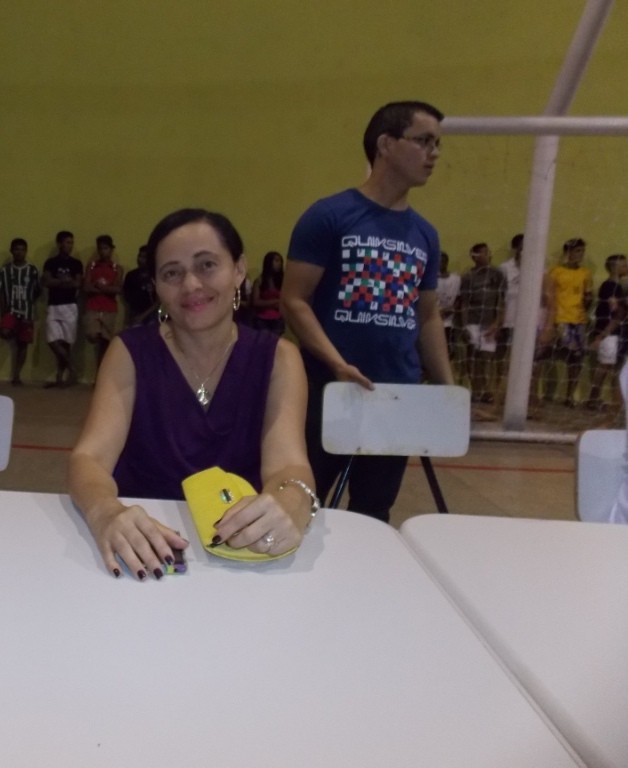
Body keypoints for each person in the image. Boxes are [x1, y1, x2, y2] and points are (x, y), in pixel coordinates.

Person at [68, 208, 316, 580]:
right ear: (156, 284)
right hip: (144, 551)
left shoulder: (280, 358)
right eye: (172, 273)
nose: (191, 285)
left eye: (207, 265)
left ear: (238, 269)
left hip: (239, 557)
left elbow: (288, 465)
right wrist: (106, 512)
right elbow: (89, 458)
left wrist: (292, 502)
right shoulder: (130, 352)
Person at [281, 100, 453, 523]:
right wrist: (337, 364)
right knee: (306, 502)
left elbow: (427, 316)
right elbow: (294, 300)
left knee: (374, 511)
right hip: (328, 390)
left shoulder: (425, 235)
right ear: (386, 144)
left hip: (394, 396)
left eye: (438, 144)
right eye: (423, 141)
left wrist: (448, 387)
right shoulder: (329, 216)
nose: (433, 153)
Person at [547, 237, 593, 407]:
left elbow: (587, 295)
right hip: (560, 319)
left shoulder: (585, 273)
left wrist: (588, 298)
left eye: (582, 251)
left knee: (577, 358)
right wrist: (551, 321)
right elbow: (550, 296)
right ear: (568, 252)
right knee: (549, 355)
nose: (580, 255)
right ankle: (543, 393)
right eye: (577, 251)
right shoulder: (556, 272)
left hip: (578, 320)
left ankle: (569, 396)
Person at [459, 243, 505, 404]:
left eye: (488, 252)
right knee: (473, 357)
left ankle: (487, 390)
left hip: (489, 322)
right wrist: (464, 325)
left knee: (488, 358)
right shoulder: (467, 277)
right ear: (475, 256)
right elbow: (464, 303)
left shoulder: (497, 275)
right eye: (484, 252)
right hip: (472, 321)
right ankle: (476, 390)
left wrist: (497, 323)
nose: (488, 255)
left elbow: (501, 300)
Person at [41, 230, 84, 387]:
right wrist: (65, 281)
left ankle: (60, 377)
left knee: (66, 342)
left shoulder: (76, 264)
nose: (70, 246)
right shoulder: (50, 263)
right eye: (67, 242)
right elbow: (47, 281)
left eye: (71, 243)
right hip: (53, 305)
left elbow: (78, 283)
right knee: (52, 340)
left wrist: (58, 281)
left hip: (70, 305)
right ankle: (72, 369)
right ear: (59, 244)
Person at [586, 254, 627, 410]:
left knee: (616, 367)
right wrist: (602, 334)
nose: (627, 267)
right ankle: (593, 399)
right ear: (614, 268)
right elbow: (616, 312)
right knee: (604, 366)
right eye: (624, 265)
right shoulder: (609, 286)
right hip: (609, 331)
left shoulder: (620, 287)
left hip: (618, 332)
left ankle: (615, 401)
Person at [0, 238, 41, 385]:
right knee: (4, 332)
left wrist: (28, 304)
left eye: (22, 249)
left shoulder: (32, 270)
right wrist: (3, 312)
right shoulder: (5, 270)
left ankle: (16, 375)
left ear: (26, 251)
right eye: (16, 249)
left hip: (27, 311)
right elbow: (2, 292)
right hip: (10, 310)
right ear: (12, 251)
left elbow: (37, 291)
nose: (19, 252)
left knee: (23, 344)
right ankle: (13, 332)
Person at [84, 235, 124, 367]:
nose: (103, 251)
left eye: (105, 248)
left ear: (111, 249)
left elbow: (117, 289)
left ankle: (101, 372)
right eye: (100, 248)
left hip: (109, 308)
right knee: (92, 335)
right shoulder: (92, 266)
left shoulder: (117, 268)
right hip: (93, 306)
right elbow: (86, 287)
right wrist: (106, 289)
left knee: (106, 341)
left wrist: (100, 287)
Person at [495, 233, 523, 395]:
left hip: (528, 324)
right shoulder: (504, 268)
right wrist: (498, 321)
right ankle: (501, 395)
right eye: (521, 248)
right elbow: (499, 297)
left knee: (524, 364)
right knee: (503, 361)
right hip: (507, 321)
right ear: (515, 249)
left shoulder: (538, 268)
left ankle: (521, 397)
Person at [436, 250, 461, 364]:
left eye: (443, 260)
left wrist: (451, 310)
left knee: (449, 351)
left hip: (450, 322)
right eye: (439, 260)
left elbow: (459, 299)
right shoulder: (430, 280)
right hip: (434, 320)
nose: (441, 263)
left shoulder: (456, 279)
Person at [252, 250, 285, 335]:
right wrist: (276, 301)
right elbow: (256, 302)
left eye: (280, 261)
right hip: (262, 319)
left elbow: (286, 300)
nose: (279, 264)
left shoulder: (283, 281)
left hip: (278, 318)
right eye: (276, 260)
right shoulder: (260, 280)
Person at [122, 245, 156, 326]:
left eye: (144, 257)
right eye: (139, 256)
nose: (140, 259)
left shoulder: (154, 275)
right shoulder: (131, 275)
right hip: (135, 314)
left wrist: (143, 315)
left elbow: (158, 301)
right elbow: (126, 296)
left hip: (152, 315)